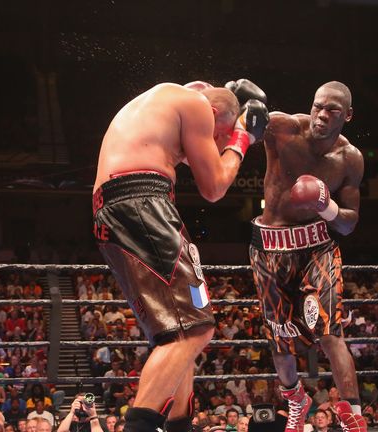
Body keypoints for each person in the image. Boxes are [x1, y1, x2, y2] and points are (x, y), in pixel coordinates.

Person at [92, 79, 268, 432]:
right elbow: (215, 186)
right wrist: (241, 138)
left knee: (181, 330)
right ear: (215, 114)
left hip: (119, 207)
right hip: (142, 202)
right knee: (196, 330)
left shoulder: (168, 99)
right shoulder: (198, 104)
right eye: (217, 138)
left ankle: (179, 426)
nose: (213, 147)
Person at [248, 81, 366, 432]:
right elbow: (244, 123)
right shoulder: (284, 130)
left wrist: (326, 206)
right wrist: (238, 101)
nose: (321, 115)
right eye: (318, 106)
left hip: (317, 247)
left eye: (331, 110)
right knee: (281, 338)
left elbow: (349, 223)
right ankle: (296, 399)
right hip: (269, 247)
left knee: (330, 332)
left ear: (347, 115)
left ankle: (353, 416)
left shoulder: (350, 159)